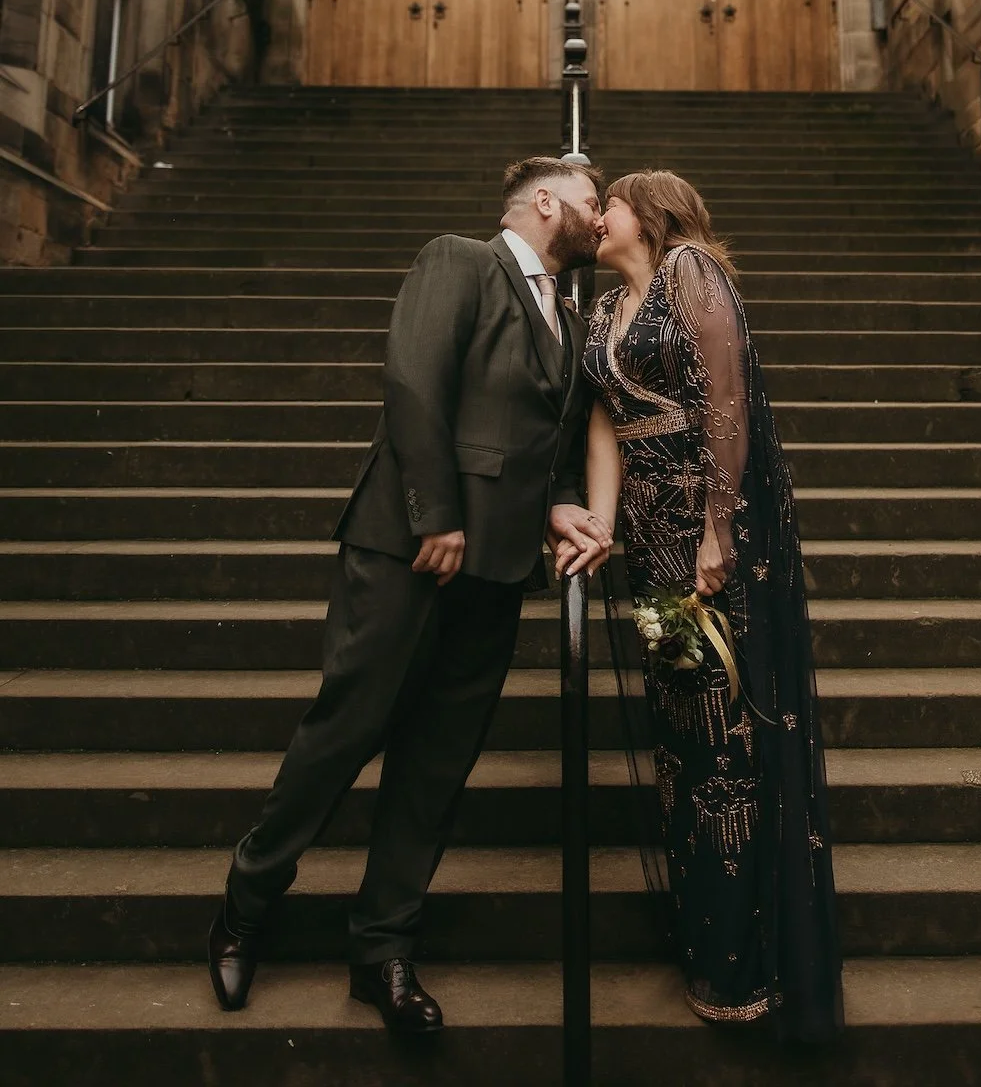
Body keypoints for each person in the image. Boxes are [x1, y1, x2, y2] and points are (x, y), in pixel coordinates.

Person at [208, 157, 612, 1033]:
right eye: (591, 200)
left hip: (500, 570)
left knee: (435, 769)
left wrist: (563, 504)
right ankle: (249, 899)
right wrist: (436, 512)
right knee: (346, 731)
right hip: (409, 550)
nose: (601, 214)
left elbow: (554, 435)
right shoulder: (460, 261)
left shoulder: (571, 321)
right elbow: (413, 382)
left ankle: (382, 952)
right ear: (545, 201)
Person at [566, 169, 843, 1041]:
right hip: (646, 535)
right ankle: (706, 940)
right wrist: (602, 528)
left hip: (709, 524)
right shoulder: (604, 312)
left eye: (607, 202)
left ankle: (748, 964)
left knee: (730, 743)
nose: (596, 215)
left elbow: (725, 399)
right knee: (685, 740)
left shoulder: (692, 270)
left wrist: (719, 529)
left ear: (645, 216)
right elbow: (603, 422)